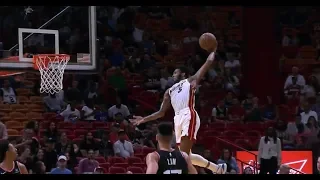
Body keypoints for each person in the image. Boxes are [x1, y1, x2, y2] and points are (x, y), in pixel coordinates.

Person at [131, 51, 227, 173]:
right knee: (184, 156)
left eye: (175, 72)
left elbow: (207, 64)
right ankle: (218, 169)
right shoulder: (169, 91)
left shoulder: (190, 81)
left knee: (183, 157)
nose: (173, 75)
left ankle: (216, 169)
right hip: (177, 118)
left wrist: (213, 50)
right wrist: (143, 119)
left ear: (183, 74)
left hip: (188, 114)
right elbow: (161, 112)